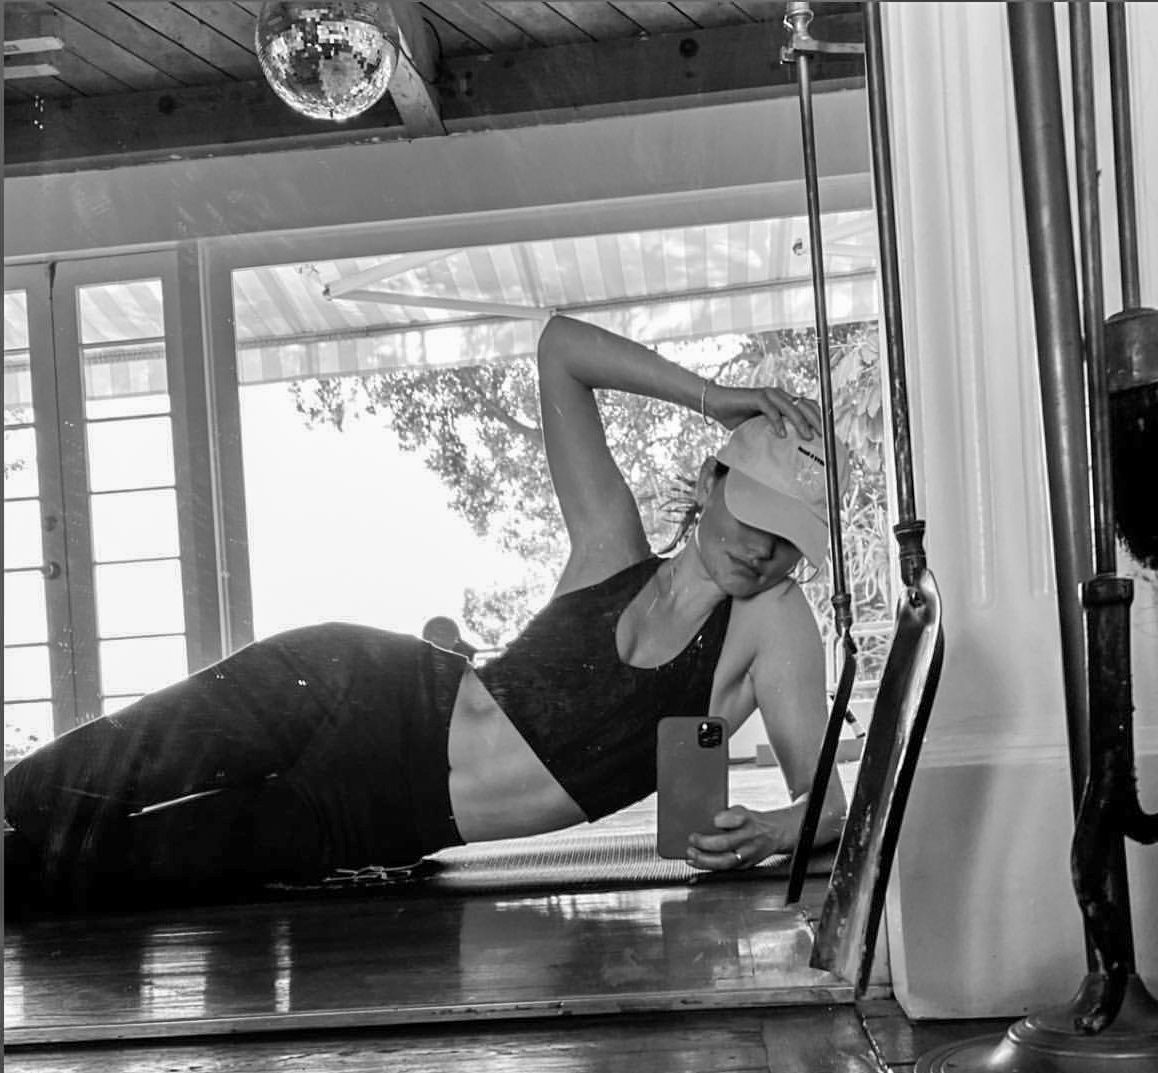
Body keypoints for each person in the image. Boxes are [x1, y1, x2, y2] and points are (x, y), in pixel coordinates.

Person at [3, 316, 848, 912]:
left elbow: (835, 806)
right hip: (347, 682)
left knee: (86, 871)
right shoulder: (610, 550)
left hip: (366, 817)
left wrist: (773, 832)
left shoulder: (771, 623)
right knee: (61, 783)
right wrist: (711, 396)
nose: (762, 550)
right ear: (708, 482)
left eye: (789, 540)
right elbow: (560, 349)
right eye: (754, 514)